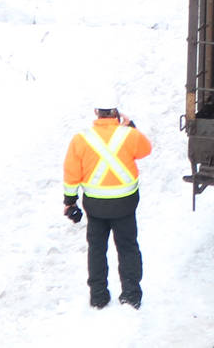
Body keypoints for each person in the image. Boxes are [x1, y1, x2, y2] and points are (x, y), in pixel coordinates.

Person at [62, 96, 153, 309]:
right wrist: (130, 125)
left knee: (96, 249)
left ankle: (99, 296)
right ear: (116, 112)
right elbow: (146, 149)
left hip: (95, 207)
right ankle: (131, 296)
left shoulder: (81, 139)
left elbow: (71, 173)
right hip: (125, 206)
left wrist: (70, 202)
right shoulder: (129, 135)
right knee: (128, 247)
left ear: (96, 112)